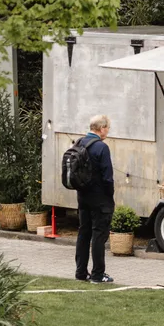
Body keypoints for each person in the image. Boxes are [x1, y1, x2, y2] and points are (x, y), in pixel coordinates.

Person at [74, 113, 115, 284]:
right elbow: (107, 177)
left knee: (84, 233)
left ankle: (81, 272)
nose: (108, 131)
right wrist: (110, 195)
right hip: (100, 199)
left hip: (82, 196)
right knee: (99, 235)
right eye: (107, 128)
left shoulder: (79, 143)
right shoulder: (102, 148)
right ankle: (98, 274)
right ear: (102, 128)